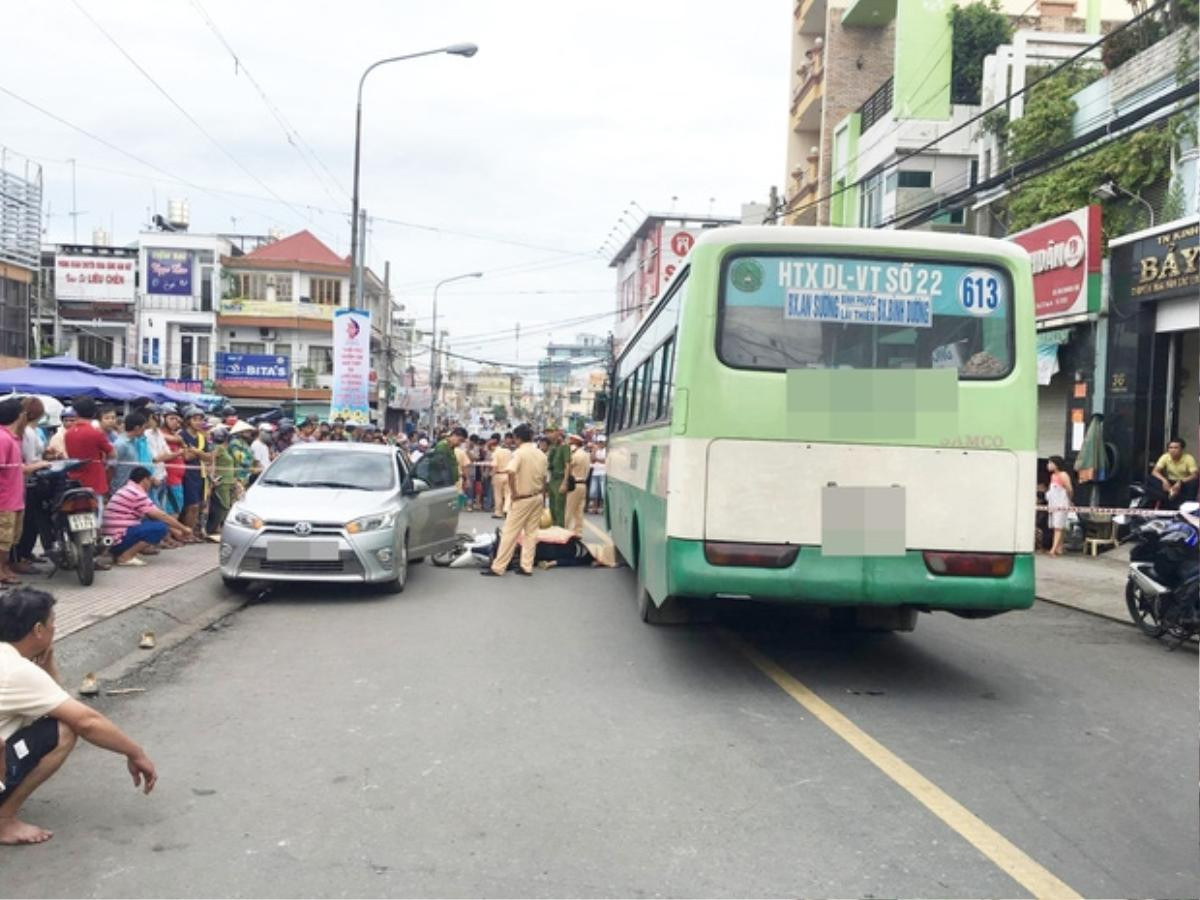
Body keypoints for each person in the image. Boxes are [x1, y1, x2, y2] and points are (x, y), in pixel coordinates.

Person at [0, 587, 157, 844]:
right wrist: (135, 752)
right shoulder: (17, 671)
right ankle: (3, 821)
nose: (54, 630)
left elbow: (53, 701)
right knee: (64, 730)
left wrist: (47, 665)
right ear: (38, 630)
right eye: (52, 624)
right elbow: (84, 721)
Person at [482, 424, 547, 577]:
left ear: (518, 438)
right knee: (531, 533)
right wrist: (543, 496)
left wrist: (515, 493)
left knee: (510, 533)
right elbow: (544, 478)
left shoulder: (519, 453)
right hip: (537, 497)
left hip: (522, 498)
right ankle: (526, 566)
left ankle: (498, 567)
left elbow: (510, 471)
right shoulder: (541, 454)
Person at [0, 399, 48, 587]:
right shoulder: (3, 438)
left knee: (11, 538)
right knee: (3, 539)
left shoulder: (13, 438)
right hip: (5, 498)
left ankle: (4, 568)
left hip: (15, 496)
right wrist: (36, 466)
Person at [103, 467, 188, 566]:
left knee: (150, 522)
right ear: (145, 480)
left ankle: (120, 553)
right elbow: (161, 515)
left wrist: (174, 530)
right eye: (150, 480)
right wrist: (184, 529)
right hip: (118, 539)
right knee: (160, 528)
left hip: (112, 540)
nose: (151, 484)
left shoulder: (127, 489)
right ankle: (125, 557)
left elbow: (151, 516)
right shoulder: (137, 493)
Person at [63, 397, 114, 507]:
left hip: (75, 480)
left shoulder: (68, 433)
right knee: (97, 514)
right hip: (95, 481)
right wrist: (106, 462)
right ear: (94, 413)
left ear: (76, 412)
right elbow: (113, 453)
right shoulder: (96, 433)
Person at [179, 408, 212, 539]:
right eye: (195, 419)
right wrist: (200, 454)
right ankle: (186, 534)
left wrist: (197, 452)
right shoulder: (181, 435)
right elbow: (186, 456)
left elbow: (209, 457)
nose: (198, 422)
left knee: (198, 506)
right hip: (186, 473)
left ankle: (190, 532)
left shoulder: (201, 437)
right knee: (191, 505)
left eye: (200, 419)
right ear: (188, 421)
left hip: (200, 473)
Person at [1151, 437, 1199, 508]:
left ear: (1182, 449)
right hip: (1170, 482)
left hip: (1184, 482)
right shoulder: (1165, 457)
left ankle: (1187, 506)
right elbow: (1155, 471)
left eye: (1176, 448)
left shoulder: (1188, 458)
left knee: (1194, 482)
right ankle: (1167, 495)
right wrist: (1164, 480)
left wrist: (1180, 482)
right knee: (1151, 479)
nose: (1173, 450)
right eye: (1171, 448)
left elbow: (1195, 475)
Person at [110, 411, 150, 495]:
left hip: (132, 488)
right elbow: (111, 468)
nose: (144, 431)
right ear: (137, 428)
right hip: (119, 489)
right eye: (143, 427)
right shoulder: (121, 444)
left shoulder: (135, 441)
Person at [205, 429, 236, 538]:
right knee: (222, 505)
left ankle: (219, 527)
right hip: (221, 481)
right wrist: (212, 479)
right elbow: (210, 462)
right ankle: (215, 528)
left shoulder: (225, 449)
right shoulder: (218, 449)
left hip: (228, 481)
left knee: (226, 506)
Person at [563, 433, 591, 537]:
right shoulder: (586, 454)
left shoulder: (575, 455)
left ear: (575, 442)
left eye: (570, 441)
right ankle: (578, 532)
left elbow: (567, 467)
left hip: (574, 484)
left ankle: (564, 531)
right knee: (579, 511)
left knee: (568, 510)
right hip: (583, 484)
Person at [1045, 456, 1073, 557]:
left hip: (1061, 503)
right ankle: (1059, 548)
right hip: (1053, 504)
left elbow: (1069, 489)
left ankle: (1053, 549)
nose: (1048, 465)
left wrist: (1069, 500)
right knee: (1056, 526)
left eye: (1050, 463)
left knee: (1058, 527)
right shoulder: (1053, 476)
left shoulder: (1063, 475)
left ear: (1056, 464)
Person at [546, 427, 570, 527]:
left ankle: (560, 530)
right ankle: (553, 530)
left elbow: (567, 465)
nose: (548, 435)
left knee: (559, 508)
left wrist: (565, 482)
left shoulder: (564, 447)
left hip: (560, 479)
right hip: (552, 479)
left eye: (551, 432)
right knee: (551, 507)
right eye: (547, 432)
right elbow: (549, 465)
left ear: (557, 433)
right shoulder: (552, 447)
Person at [490, 433, 513, 519]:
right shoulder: (509, 452)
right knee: (508, 494)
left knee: (497, 494)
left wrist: (492, 475)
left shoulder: (496, 453)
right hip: (507, 474)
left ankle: (498, 512)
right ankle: (507, 509)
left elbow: (494, 465)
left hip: (498, 474)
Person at [587, 437, 607, 514]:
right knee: (594, 491)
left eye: (601, 442)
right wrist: (594, 451)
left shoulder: (606, 450)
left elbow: (605, 460)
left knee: (602, 492)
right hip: (595, 472)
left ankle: (602, 507)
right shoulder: (596, 450)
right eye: (599, 442)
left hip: (603, 472)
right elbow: (592, 459)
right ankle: (595, 507)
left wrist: (597, 459)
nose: (600, 443)